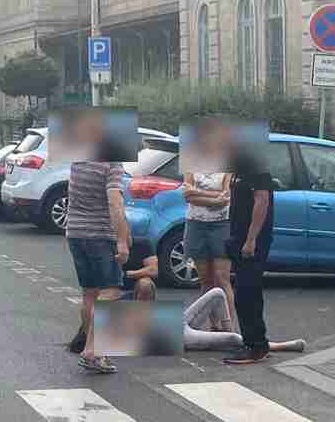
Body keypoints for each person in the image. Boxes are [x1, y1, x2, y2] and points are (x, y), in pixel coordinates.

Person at [62, 115, 132, 374]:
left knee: (89, 293)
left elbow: (72, 195)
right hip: (100, 234)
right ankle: (93, 350)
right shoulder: (111, 164)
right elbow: (115, 203)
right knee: (111, 291)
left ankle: (88, 346)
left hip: (76, 232)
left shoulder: (79, 160)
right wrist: (123, 241)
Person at [122, 257, 305, 353]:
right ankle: (278, 346)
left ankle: (229, 330)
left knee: (218, 293)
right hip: (174, 334)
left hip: (173, 320)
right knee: (235, 341)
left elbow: (153, 271)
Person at [223, 137, 274, 365]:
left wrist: (251, 239)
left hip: (253, 241)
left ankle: (256, 346)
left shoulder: (258, 170)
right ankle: (252, 342)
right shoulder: (239, 169)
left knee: (247, 292)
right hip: (239, 238)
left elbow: (261, 202)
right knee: (243, 292)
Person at [183, 163, 234, 332]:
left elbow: (225, 198)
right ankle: (214, 326)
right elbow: (187, 196)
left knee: (222, 278)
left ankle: (228, 327)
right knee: (206, 280)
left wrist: (197, 192)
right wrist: (214, 196)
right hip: (196, 224)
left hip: (221, 223)